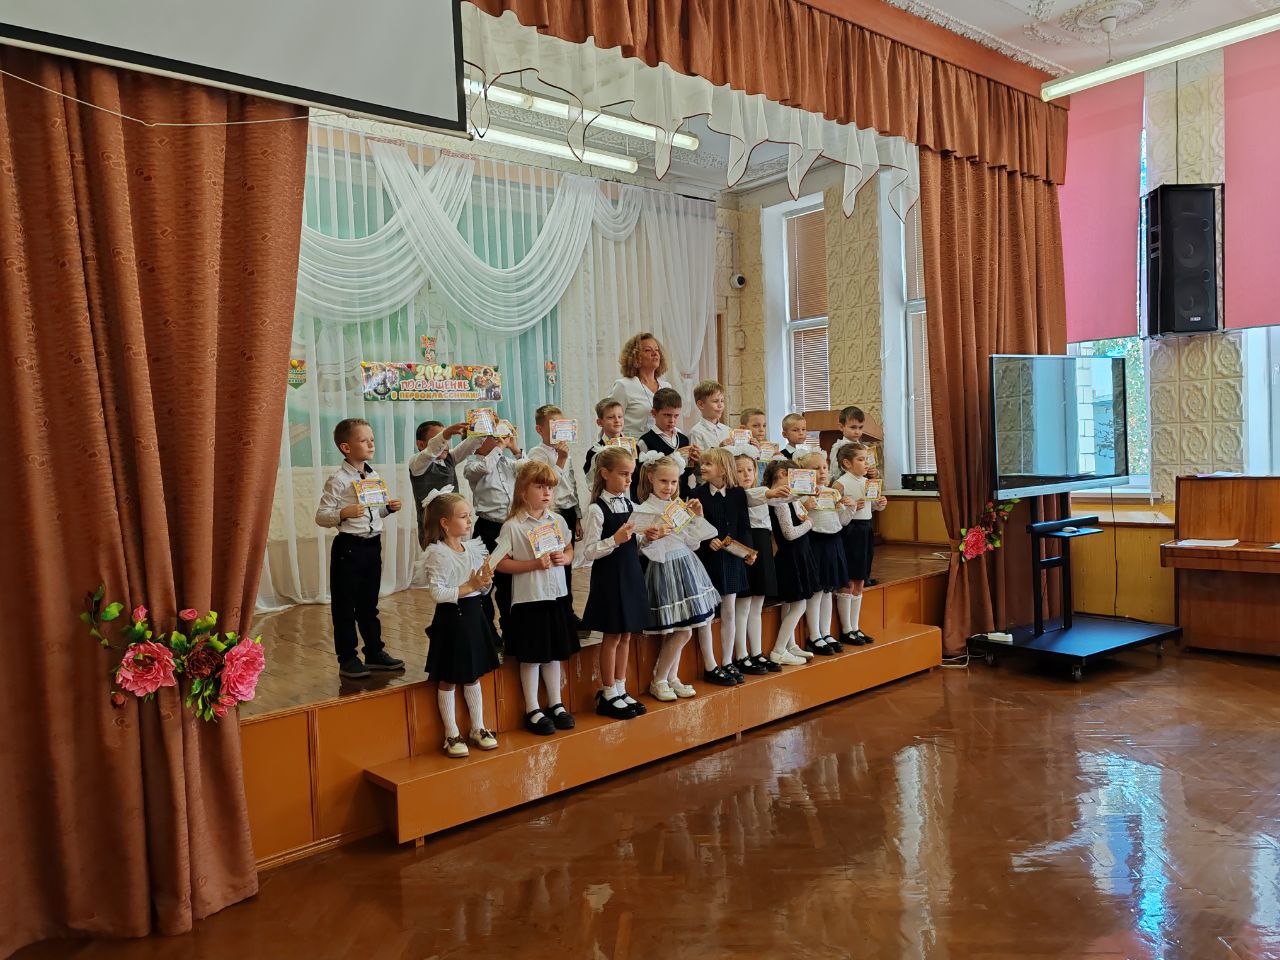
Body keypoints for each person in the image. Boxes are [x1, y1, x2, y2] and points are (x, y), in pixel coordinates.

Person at [314, 418, 407, 679]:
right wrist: (343, 513)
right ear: (346, 447)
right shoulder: (338, 480)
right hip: (349, 548)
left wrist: (387, 509)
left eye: (372, 440)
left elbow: (372, 513)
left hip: (372, 545)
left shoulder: (373, 476)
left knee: (369, 604)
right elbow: (321, 516)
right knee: (345, 606)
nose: (371, 444)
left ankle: (374, 652)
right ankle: (347, 658)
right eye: (364, 440)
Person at [495, 462, 580, 736]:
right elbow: (499, 563)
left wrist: (565, 558)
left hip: (556, 596)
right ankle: (532, 708)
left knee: (553, 653)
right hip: (530, 599)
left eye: (550, 488)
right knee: (532, 655)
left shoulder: (557, 521)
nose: (546, 493)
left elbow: (569, 549)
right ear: (523, 491)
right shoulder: (512, 526)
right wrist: (532, 564)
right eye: (540, 487)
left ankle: (556, 703)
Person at [416, 490, 501, 758]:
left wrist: (484, 583)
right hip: (452, 619)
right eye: (463, 516)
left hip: (474, 616)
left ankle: (478, 727)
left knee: (473, 673)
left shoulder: (471, 548)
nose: (469, 521)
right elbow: (438, 593)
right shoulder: (438, 553)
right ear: (445, 523)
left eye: (470, 515)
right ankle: (451, 733)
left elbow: (481, 590)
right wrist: (470, 586)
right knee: (449, 677)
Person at [631, 452, 720, 702]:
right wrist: (651, 537)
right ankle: (659, 680)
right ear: (650, 477)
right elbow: (639, 547)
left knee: (683, 629)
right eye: (663, 481)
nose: (668, 487)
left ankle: (671, 678)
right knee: (681, 631)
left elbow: (692, 543)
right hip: (664, 569)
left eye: (673, 482)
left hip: (686, 566)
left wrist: (697, 517)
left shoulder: (677, 506)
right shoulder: (644, 510)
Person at [575, 447, 650, 721]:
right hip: (610, 577)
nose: (629, 480)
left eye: (631, 474)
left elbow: (635, 544)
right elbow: (588, 552)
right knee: (612, 636)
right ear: (605, 474)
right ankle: (607, 691)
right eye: (623, 474)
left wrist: (648, 538)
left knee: (627, 634)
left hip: (630, 574)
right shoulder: (596, 509)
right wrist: (614, 540)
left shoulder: (631, 506)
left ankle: (620, 686)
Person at [689, 448, 752, 686]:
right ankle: (711, 664)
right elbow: (692, 527)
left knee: (729, 611)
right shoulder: (696, 494)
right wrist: (708, 540)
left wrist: (748, 552)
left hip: (733, 559)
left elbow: (744, 526)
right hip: (707, 560)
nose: (703, 467)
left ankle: (727, 661)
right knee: (707, 614)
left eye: (708, 464)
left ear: (723, 469)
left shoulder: (737, 494)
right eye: (702, 463)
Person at [462, 428, 524, 634]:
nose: (497, 438)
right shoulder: (472, 464)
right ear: (477, 441)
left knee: (509, 583)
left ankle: (511, 630)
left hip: (510, 528)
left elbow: (529, 471)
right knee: (485, 581)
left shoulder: (506, 461)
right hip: (488, 528)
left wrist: (515, 450)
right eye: (491, 435)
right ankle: (488, 633)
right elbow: (484, 467)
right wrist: (499, 447)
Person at [528, 404, 583, 629]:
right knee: (553, 563)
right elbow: (547, 484)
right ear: (540, 429)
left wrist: (577, 515)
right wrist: (560, 459)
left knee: (567, 563)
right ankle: (556, 613)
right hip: (551, 513)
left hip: (568, 511)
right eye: (553, 425)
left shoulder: (566, 451)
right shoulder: (536, 453)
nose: (558, 430)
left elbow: (571, 484)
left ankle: (568, 612)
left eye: (561, 424)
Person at [794, 450, 855, 656]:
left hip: (833, 542)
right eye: (816, 468)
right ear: (804, 472)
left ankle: (826, 632)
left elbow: (841, 521)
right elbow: (797, 518)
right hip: (815, 542)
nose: (822, 472)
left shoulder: (832, 493)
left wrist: (849, 509)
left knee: (828, 590)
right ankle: (814, 635)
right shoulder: (800, 495)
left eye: (824, 468)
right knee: (817, 591)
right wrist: (805, 506)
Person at [763, 458, 819, 667]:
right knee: (799, 604)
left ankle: (790, 644)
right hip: (791, 556)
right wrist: (809, 523)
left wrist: (806, 510)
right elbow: (789, 533)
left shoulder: (791, 499)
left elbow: (799, 516)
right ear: (780, 475)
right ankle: (778, 650)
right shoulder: (779, 501)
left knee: (791, 604)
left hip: (800, 554)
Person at [834, 442, 888, 646]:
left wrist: (879, 504)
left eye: (867, 459)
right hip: (850, 531)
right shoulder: (840, 484)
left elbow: (871, 507)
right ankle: (846, 629)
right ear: (847, 463)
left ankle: (855, 627)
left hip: (865, 529)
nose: (866, 463)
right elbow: (836, 513)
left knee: (860, 579)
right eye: (861, 459)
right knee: (848, 580)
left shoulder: (867, 482)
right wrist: (850, 508)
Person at [733, 449, 780, 674]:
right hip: (745, 547)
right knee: (743, 605)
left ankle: (757, 652)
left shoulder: (761, 492)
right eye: (740, 471)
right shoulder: (738, 495)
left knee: (757, 604)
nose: (746, 474)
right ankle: (741, 655)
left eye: (750, 470)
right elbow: (756, 496)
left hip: (762, 545)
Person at [409, 420, 485, 549]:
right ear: (421, 444)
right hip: (432, 532)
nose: (445, 445)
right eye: (439, 439)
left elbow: (469, 445)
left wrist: (485, 426)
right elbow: (431, 451)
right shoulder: (417, 463)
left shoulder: (450, 458)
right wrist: (446, 434)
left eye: (446, 440)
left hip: (454, 529)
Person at [636, 387, 699, 499]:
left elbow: (685, 473)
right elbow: (641, 477)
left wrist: (694, 462)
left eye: (676, 416)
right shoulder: (645, 441)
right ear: (654, 413)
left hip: (682, 497)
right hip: (658, 499)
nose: (672, 420)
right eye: (667, 415)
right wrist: (670, 460)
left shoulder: (683, 439)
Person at [608, 332, 673, 438]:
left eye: (657, 350)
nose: (655, 353)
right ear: (635, 357)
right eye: (647, 350)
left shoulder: (667, 387)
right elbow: (609, 422)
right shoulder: (624, 386)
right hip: (633, 446)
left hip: (663, 444)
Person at [583, 397, 629, 492]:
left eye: (620, 416)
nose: (617, 420)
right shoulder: (594, 452)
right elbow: (591, 482)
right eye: (610, 417)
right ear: (600, 422)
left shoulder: (633, 447)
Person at [688, 379, 732, 454]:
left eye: (722, 401)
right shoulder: (696, 433)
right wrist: (720, 449)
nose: (720, 405)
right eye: (715, 401)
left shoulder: (728, 430)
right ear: (701, 405)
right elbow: (698, 459)